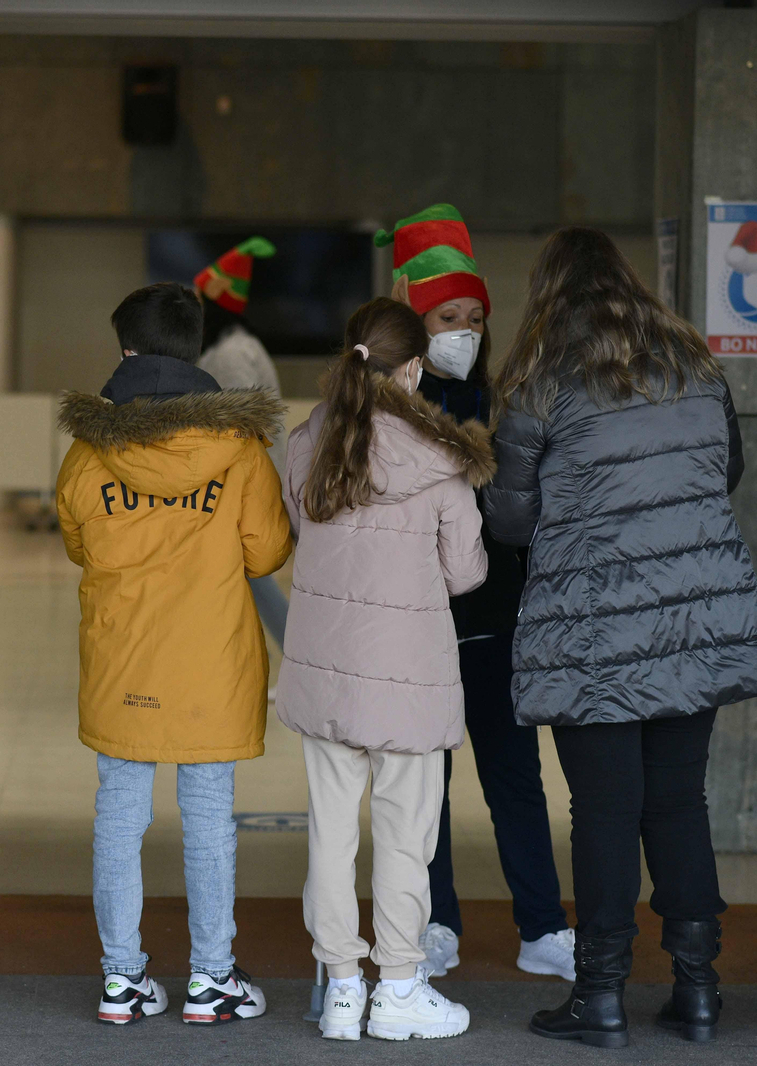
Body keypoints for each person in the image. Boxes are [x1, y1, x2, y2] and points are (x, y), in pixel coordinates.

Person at [482, 227, 757, 1048]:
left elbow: (509, 518)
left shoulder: (540, 380)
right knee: (680, 800)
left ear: (547, 293)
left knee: (604, 810)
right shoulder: (696, 366)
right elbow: (724, 471)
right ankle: (697, 989)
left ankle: (601, 997)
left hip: (594, 628)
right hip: (695, 618)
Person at [56, 281, 292, 1026]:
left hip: (123, 660)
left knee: (119, 816)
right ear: (196, 351)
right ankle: (212, 979)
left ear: (126, 349)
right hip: (210, 662)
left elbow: (77, 543)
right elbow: (267, 553)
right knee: (210, 818)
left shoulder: (88, 451)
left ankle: (121, 980)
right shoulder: (240, 449)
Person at [277, 297, 489, 1042]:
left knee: (330, 836)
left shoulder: (306, 444)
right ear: (413, 370)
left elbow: (303, 531)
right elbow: (466, 574)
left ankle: (342, 989)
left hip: (325, 671)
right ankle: (398, 987)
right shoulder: (440, 460)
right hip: (408, 677)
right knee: (405, 839)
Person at [376, 204, 574, 983]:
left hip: (494, 622)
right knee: (425, 787)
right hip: (415, 627)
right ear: (414, 324)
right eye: (446, 318)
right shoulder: (385, 409)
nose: (463, 331)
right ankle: (435, 924)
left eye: (474, 318)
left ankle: (542, 927)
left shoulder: (504, 403)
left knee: (515, 779)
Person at [193, 236, 289, 650]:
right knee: (245, 578)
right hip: (248, 484)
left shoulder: (231, 355)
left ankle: (295, 651)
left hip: (245, 487)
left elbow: (237, 430)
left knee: (250, 577)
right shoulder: (236, 347)